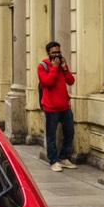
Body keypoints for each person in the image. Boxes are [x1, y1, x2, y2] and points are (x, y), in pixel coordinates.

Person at [39, 41, 77, 172]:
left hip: (64, 106)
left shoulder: (61, 65)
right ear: (48, 53)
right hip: (51, 107)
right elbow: (47, 82)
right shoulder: (42, 66)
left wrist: (65, 68)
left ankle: (63, 157)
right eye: (53, 52)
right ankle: (53, 161)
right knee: (51, 136)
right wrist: (54, 67)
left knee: (69, 133)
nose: (57, 55)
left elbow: (71, 81)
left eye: (58, 52)